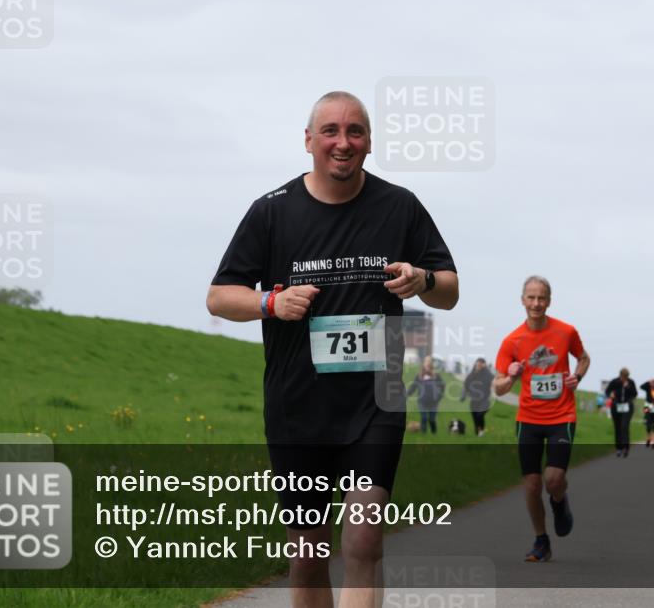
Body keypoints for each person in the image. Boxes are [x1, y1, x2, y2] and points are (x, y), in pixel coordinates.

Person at [206, 91, 459, 608]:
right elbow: (218, 297)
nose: (343, 143)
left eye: (355, 132)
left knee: (363, 538)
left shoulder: (400, 206)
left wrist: (422, 278)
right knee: (307, 554)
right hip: (297, 404)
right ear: (309, 141)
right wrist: (271, 303)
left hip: (376, 402)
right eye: (331, 131)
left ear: (369, 142)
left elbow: (449, 290)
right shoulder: (271, 212)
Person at [492, 276, 591, 562]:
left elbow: (583, 358)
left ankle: (560, 502)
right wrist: (510, 375)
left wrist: (577, 376)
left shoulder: (566, 331)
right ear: (522, 300)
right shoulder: (512, 341)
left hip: (562, 415)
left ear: (549, 301)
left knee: (553, 478)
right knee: (533, 485)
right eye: (531, 298)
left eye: (542, 298)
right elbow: (498, 387)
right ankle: (541, 539)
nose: (536, 303)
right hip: (529, 419)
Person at [605, 368, 638, 457]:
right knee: (617, 427)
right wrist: (610, 395)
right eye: (623, 377)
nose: (624, 379)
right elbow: (607, 391)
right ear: (620, 375)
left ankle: (626, 448)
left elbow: (635, 394)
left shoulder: (631, 382)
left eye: (626, 377)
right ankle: (619, 448)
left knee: (624, 426)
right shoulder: (615, 382)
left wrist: (628, 387)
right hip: (616, 406)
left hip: (627, 407)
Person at [407, 355, 444, 433]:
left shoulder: (437, 376)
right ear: (423, 364)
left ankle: (434, 434)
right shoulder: (419, 376)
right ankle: (423, 435)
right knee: (424, 418)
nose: (427, 364)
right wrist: (406, 394)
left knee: (432, 419)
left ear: (431, 364)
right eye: (425, 362)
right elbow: (413, 386)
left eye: (429, 362)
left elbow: (442, 386)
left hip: (433, 402)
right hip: (422, 401)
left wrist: (439, 397)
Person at [461, 357, 493, 436]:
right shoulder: (471, 375)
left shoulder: (488, 374)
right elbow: (466, 385)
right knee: (475, 417)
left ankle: (481, 431)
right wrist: (463, 395)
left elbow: (493, 380)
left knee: (480, 415)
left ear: (483, 365)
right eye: (477, 364)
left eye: (480, 364)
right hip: (474, 400)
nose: (478, 366)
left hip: (484, 400)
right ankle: (477, 432)